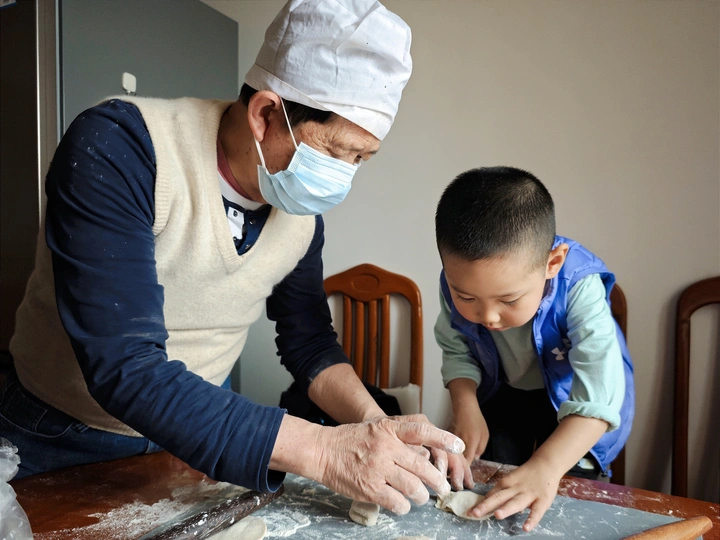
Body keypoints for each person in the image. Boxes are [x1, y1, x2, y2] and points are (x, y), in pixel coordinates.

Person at [0, 0, 463, 514]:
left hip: (198, 441)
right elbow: (125, 365)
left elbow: (309, 343)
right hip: (60, 435)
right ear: (265, 114)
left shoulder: (300, 213)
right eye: (335, 152)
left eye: (360, 159)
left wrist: (376, 425)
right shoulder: (120, 147)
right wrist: (322, 450)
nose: (344, 176)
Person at [434, 167, 634, 531]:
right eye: (467, 298)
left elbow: (599, 393)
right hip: (505, 394)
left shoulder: (579, 286)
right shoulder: (455, 282)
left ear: (552, 264)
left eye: (509, 299)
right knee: (494, 486)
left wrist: (547, 466)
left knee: (562, 505)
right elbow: (456, 348)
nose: (488, 317)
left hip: (576, 411)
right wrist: (465, 404)